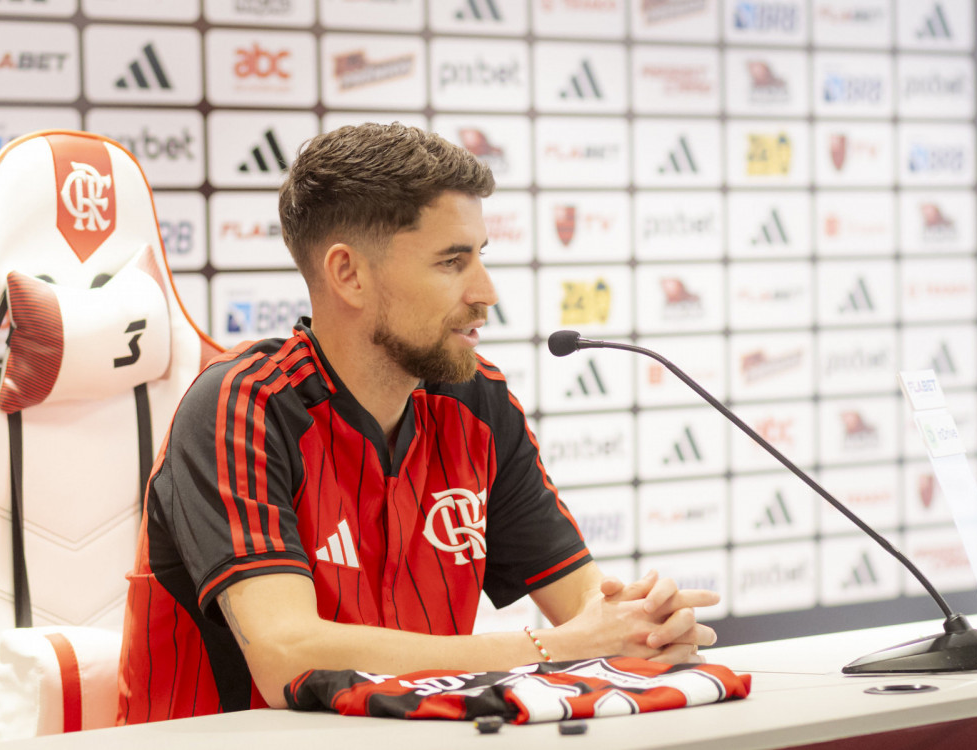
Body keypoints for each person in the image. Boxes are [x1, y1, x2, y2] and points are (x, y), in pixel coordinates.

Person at [117, 123, 720, 723]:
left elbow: (585, 606)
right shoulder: (240, 408)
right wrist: (555, 650)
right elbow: (288, 656)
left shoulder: (477, 402)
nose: (486, 291)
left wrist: (640, 623)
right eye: (452, 262)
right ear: (348, 273)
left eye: (481, 256)